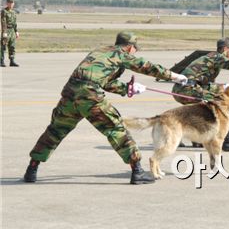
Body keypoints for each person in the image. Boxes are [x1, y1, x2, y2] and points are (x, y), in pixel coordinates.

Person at [23, 31, 188, 184]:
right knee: (115, 128)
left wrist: (128, 89)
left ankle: (31, 169)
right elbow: (147, 67)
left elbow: (104, 81)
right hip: (89, 96)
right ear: (130, 47)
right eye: (134, 50)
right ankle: (137, 171)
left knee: (55, 131)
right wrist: (175, 76)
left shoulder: (100, 51)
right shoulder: (122, 54)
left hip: (70, 94)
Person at [172, 37, 229, 152]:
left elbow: (207, 83)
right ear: (225, 48)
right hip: (188, 89)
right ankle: (228, 141)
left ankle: (196, 140)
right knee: (222, 106)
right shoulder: (217, 56)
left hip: (185, 88)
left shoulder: (211, 58)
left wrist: (222, 88)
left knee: (202, 111)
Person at [1, 0, 20, 67]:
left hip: (12, 31)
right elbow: (3, 22)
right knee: (3, 46)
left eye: (12, 3)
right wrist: (4, 32)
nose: (11, 4)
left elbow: (15, 23)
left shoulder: (13, 12)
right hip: (7, 30)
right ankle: (1, 61)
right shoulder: (4, 11)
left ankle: (12, 61)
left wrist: (16, 31)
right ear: (7, 3)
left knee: (12, 46)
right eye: (9, 2)